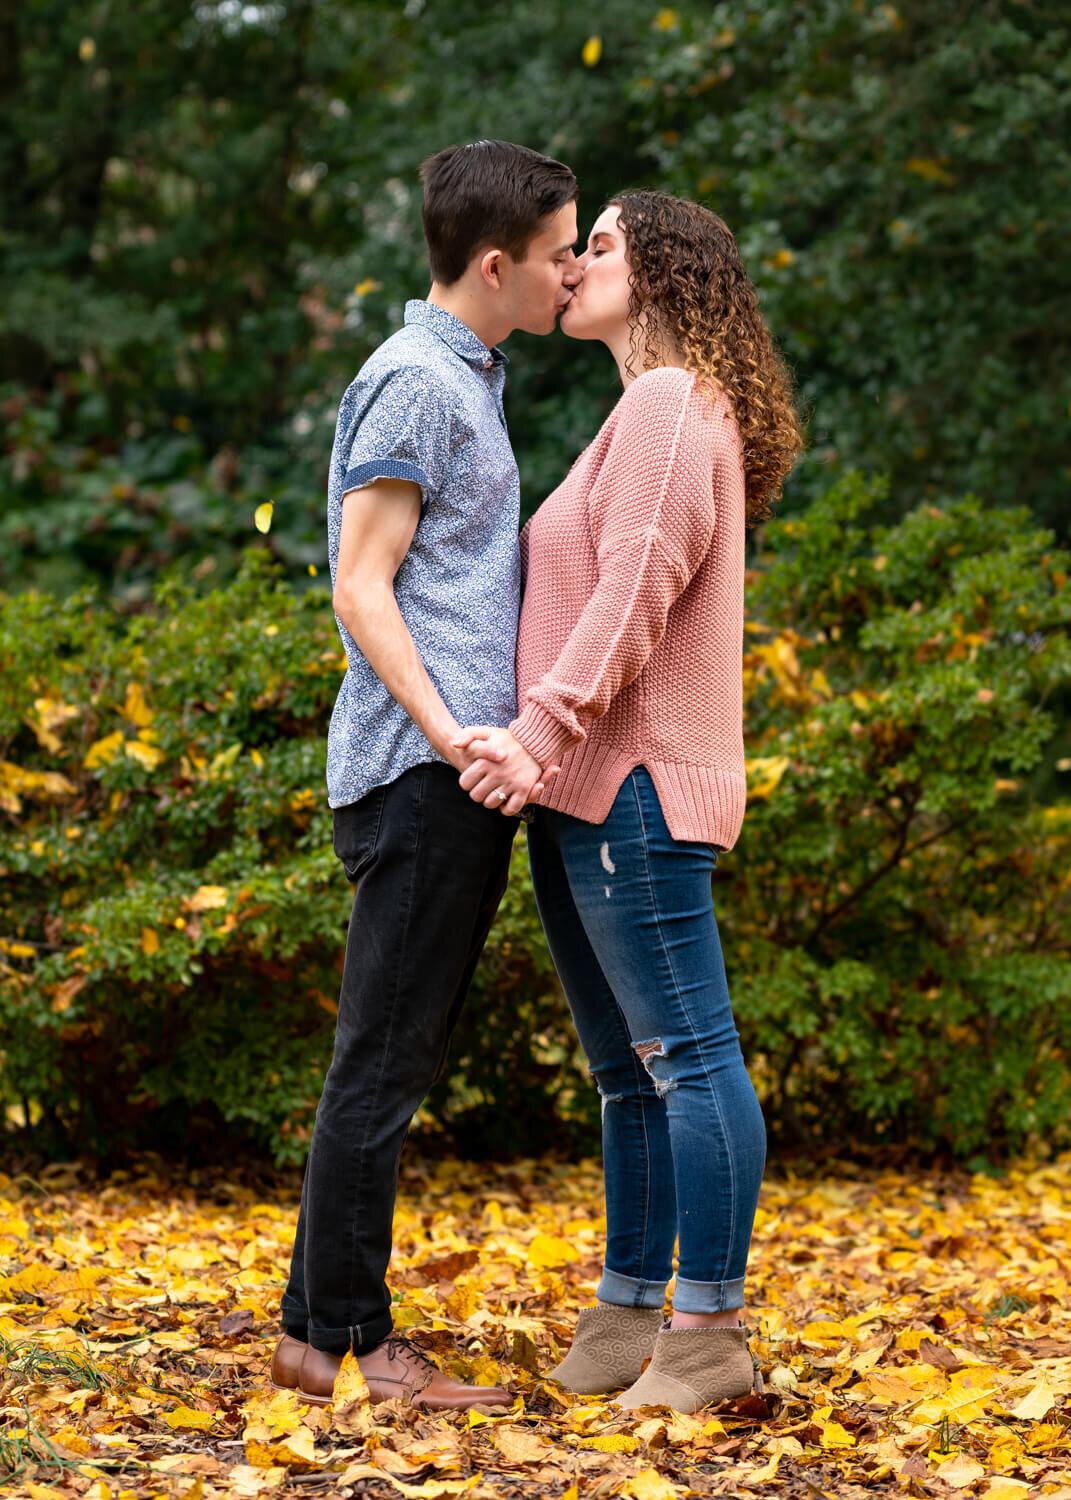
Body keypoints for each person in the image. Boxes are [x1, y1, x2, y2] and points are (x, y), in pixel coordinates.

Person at [454, 191, 802, 1412]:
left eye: (599, 244)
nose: (575, 263)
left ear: (662, 272)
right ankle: (628, 1312)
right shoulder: (647, 411)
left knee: (688, 1060)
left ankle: (707, 1334)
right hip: (589, 790)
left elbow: (634, 593)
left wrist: (535, 733)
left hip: (631, 789)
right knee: (629, 1073)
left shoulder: (667, 404)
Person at [270, 140, 579, 1410]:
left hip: (443, 771)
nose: (572, 275)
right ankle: (339, 1340)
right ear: (497, 265)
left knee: (390, 1058)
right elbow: (360, 581)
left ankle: (321, 1324)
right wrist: (455, 734)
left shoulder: (469, 376)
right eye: (561, 256)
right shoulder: (415, 385)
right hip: (421, 772)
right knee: (381, 1066)